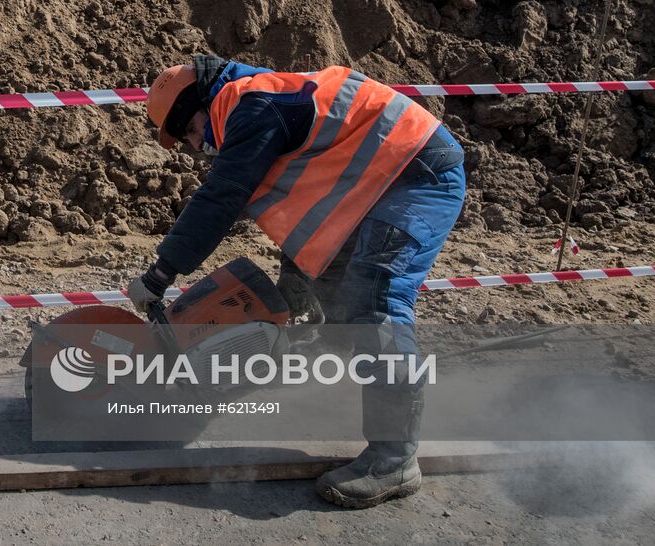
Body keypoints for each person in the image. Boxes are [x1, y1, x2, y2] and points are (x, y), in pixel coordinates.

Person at [128, 55, 466, 509]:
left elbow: (223, 196)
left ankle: (394, 459)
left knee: (374, 301)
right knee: (333, 300)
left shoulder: (249, 106)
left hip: (416, 176)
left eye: (190, 131)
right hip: (378, 180)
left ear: (200, 103)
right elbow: (310, 184)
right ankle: (339, 393)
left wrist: (160, 273)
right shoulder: (257, 98)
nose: (196, 146)